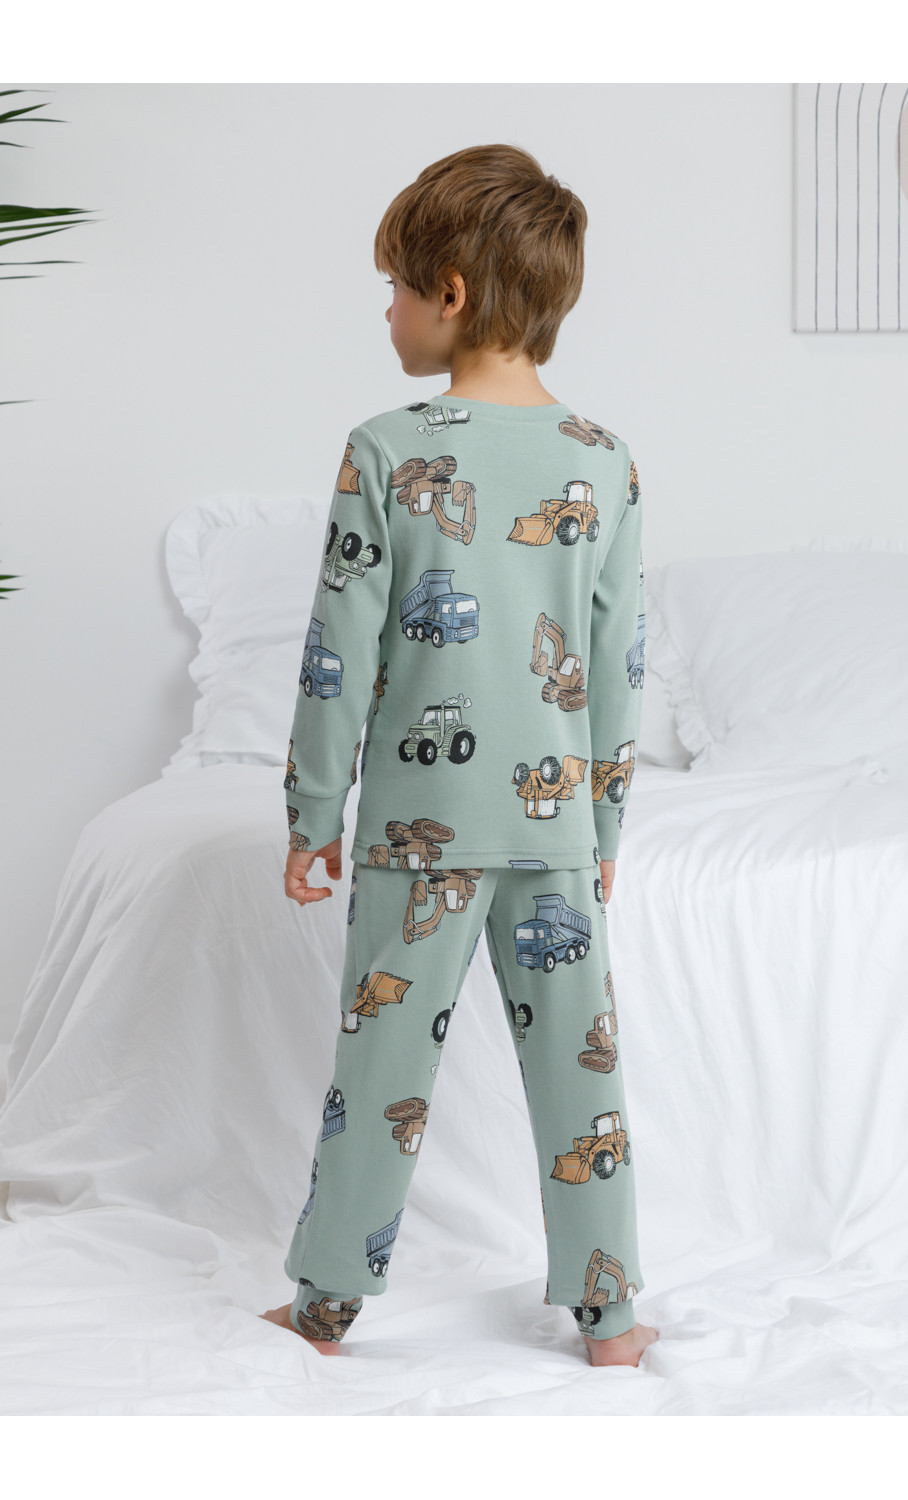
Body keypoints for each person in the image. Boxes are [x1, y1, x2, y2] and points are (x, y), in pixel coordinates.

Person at [260, 143, 657, 1369]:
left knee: (378, 1064)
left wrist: (311, 814)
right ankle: (611, 1322)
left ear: (450, 291)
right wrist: (603, 828)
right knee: (581, 1076)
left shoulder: (385, 448)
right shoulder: (602, 458)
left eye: (392, 287)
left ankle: (326, 1306)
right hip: (554, 827)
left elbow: (338, 654)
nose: (384, 312)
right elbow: (618, 667)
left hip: (412, 831)